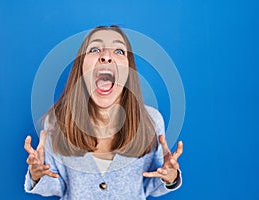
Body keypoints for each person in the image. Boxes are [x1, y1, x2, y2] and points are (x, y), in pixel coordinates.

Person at [24, 25, 183, 199]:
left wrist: (170, 177)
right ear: (81, 68)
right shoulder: (56, 123)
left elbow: (151, 185)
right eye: (94, 49)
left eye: (119, 51)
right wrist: (37, 175)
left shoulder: (151, 121)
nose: (106, 56)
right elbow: (57, 187)